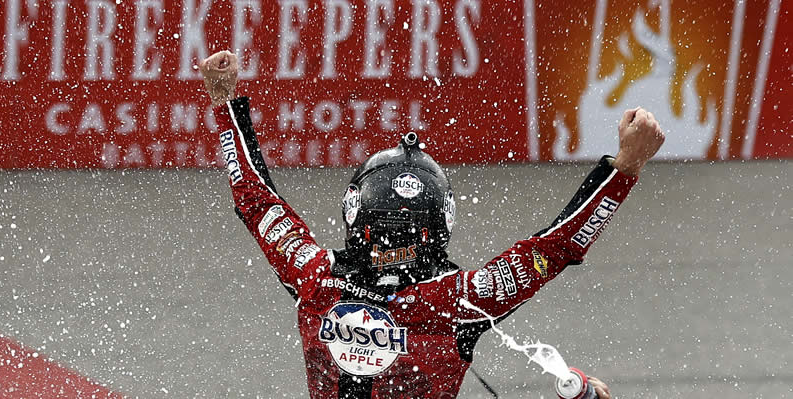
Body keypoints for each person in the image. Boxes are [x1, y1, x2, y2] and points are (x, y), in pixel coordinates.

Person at [199, 50, 664, 399]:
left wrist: (224, 99)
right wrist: (625, 165)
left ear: (354, 209)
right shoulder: (459, 300)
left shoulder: (313, 275)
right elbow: (556, 247)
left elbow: (256, 201)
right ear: (440, 222)